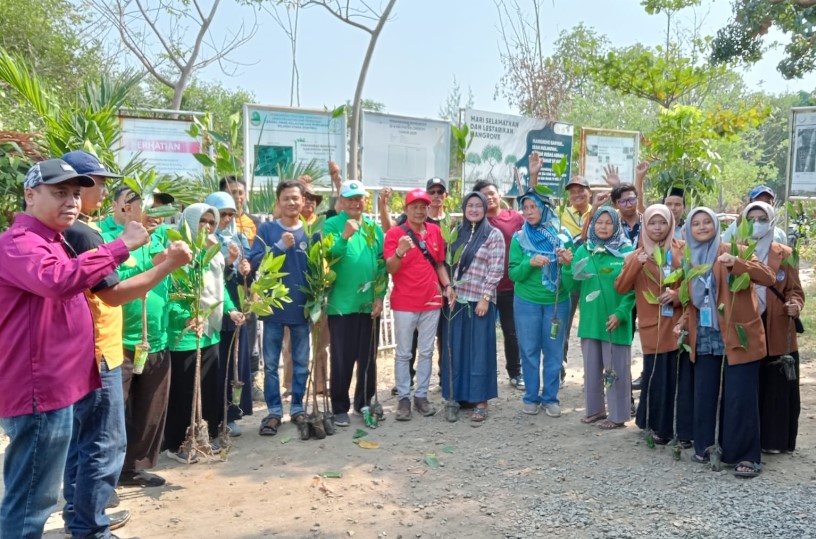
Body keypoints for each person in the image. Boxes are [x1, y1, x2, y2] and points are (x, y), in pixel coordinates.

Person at [0, 160, 145, 539]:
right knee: (32, 501)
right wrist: (121, 246)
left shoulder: (53, 241)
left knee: (38, 497)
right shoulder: (20, 243)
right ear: (30, 196)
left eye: (76, 194)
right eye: (59, 192)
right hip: (38, 392)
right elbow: (58, 281)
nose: (72, 202)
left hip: (54, 389)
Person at [60, 150, 192, 537]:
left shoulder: (78, 230)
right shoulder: (84, 232)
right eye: (97, 183)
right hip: (100, 349)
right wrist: (167, 265)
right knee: (103, 443)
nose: (100, 190)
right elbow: (114, 294)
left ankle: (81, 514)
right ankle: (91, 524)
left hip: (95, 348)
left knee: (85, 443)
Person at [679, 207, 775, 478]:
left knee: (739, 396)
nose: (701, 226)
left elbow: (767, 277)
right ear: (688, 229)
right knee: (705, 393)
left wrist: (739, 263)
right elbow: (690, 299)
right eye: (695, 223)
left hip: (737, 333)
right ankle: (706, 446)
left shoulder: (735, 248)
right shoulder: (689, 257)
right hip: (705, 335)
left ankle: (745, 455)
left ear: (716, 224)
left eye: (706, 221)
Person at [98, 187, 177, 488]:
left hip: (156, 336)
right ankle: (105, 478)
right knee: (114, 412)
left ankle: (134, 468)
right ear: (118, 206)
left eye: (149, 205)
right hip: (118, 339)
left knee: (150, 408)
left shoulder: (158, 238)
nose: (148, 211)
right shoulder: (105, 237)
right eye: (138, 204)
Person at [164, 203, 244, 462]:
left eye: (212, 221)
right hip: (185, 334)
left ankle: (203, 438)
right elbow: (171, 293)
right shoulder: (178, 254)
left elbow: (219, 289)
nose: (208, 227)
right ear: (189, 221)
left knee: (209, 388)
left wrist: (231, 310)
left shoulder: (214, 253)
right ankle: (177, 443)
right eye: (203, 221)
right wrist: (187, 317)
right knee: (184, 391)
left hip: (211, 331)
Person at [615, 204, 693, 444]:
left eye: (662, 222)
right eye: (652, 223)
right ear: (645, 226)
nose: (658, 228)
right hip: (653, 325)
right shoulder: (635, 254)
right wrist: (636, 263)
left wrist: (678, 294)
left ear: (671, 224)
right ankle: (658, 426)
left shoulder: (684, 251)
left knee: (681, 376)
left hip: (679, 322)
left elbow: (696, 281)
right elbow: (621, 287)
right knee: (658, 375)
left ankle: (683, 430)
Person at [249, 181, 313, 437]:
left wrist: (318, 300)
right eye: (286, 198)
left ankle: (297, 408)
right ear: (279, 201)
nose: (292, 203)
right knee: (271, 365)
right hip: (273, 308)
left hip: (302, 308)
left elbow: (319, 268)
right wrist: (278, 248)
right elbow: (253, 262)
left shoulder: (311, 231)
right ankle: (274, 411)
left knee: (300, 364)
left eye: (296, 198)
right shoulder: (266, 229)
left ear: (303, 200)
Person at [741, 202, 804, 454]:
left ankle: (775, 441)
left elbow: (795, 290)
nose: (757, 223)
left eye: (762, 218)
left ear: (772, 221)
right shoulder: (737, 251)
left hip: (777, 326)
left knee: (777, 385)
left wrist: (795, 305)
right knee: (750, 383)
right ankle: (748, 438)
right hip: (748, 325)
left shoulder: (785, 253)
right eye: (752, 218)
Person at [385, 188, 453, 421]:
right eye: (414, 206)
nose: (419, 210)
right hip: (405, 302)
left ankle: (421, 396)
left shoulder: (435, 231)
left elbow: (440, 264)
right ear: (406, 209)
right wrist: (400, 252)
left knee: (426, 351)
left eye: (423, 206)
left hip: (432, 301)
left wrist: (448, 286)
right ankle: (404, 397)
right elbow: (390, 269)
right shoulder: (395, 234)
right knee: (404, 353)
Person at [323, 180, 387, 427]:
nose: (355, 202)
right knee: (342, 358)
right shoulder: (331, 225)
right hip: (341, 305)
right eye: (349, 198)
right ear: (340, 201)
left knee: (368, 357)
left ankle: (364, 402)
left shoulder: (373, 228)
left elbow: (381, 265)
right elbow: (327, 258)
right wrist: (344, 237)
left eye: (359, 198)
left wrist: (380, 297)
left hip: (368, 306)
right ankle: (339, 407)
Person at [440, 192, 505, 423]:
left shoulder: (493, 234)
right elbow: (447, 263)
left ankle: (480, 401)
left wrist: (485, 297)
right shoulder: (456, 233)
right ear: (464, 208)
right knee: (456, 349)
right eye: (470, 205)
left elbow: (496, 268)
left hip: (479, 301)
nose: (475, 210)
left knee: (479, 351)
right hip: (456, 301)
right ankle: (455, 397)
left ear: (485, 208)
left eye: (479, 205)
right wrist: (448, 287)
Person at [508, 189, 573, 417]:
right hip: (526, 302)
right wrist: (530, 263)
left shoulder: (564, 237)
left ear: (545, 209)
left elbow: (573, 277)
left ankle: (550, 398)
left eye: (533, 207)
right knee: (529, 350)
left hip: (557, 303)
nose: (528, 212)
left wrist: (567, 263)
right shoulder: (519, 238)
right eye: (525, 208)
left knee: (554, 351)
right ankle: (531, 397)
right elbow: (514, 273)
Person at [569, 207, 635, 430]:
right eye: (599, 222)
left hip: (615, 322)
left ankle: (618, 415)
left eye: (609, 223)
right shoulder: (584, 251)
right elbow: (571, 285)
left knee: (616, 369)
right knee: (592, 368)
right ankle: (595, 410)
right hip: (590, 321)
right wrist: (566, 266)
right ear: (592, 225)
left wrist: (621, 313)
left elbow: (633, 289)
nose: (604, 227)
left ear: (617, 225)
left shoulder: (627, 252)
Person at [204, 191, 254, 437]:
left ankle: (232, 414)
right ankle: (214, 416)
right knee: (216, 364)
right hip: (214, 309)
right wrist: (228, 261)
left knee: (234, 363)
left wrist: (246, 268)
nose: (225, 219)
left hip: (236, 309)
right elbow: (208, 277)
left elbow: (247, 279)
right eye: (221, 214)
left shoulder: (238, 237)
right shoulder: (204, 239)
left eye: (230, 214)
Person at [474, 179, 525, 390]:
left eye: (492, 193)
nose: (489, 197)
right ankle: (483, 375)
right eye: (484, 194)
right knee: (482, 334)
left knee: (512, 332)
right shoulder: (476, 222)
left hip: (511, 288)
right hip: (484, 289)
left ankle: (515, 372)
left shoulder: (514, 218)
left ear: (499, 195)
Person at [722, 185, 787, 245]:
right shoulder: (739, 231)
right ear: (750, 204)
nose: (762, 206)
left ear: (773, 205)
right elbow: (724, 243)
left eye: (767, 203)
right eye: (757, 202)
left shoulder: (780, 235)